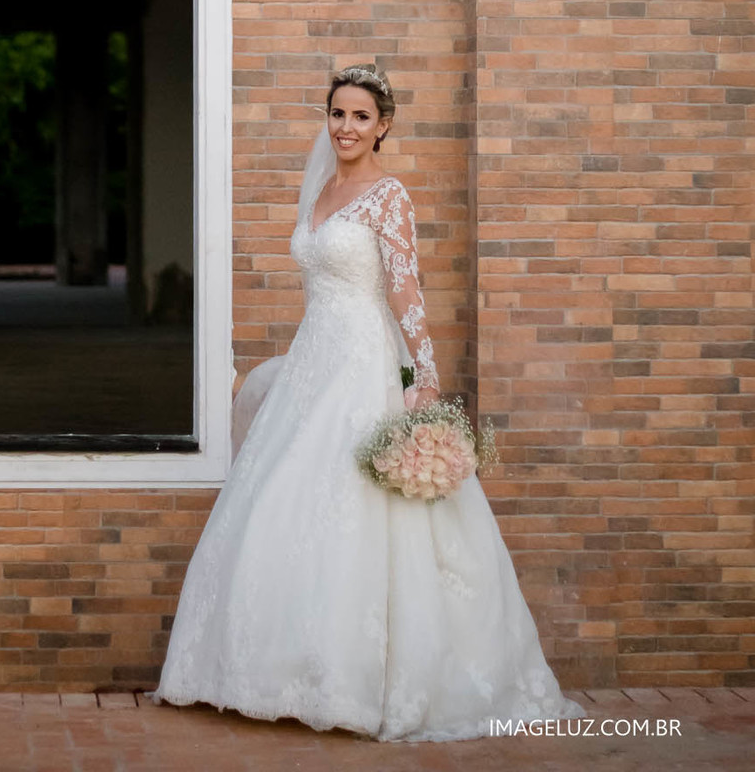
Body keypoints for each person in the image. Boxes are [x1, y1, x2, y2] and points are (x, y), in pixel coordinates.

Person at [156, 64, 582, 741]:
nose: (345, 127)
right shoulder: (321, 188)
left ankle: (361, 686)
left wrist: (424, 379)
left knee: (365, 509)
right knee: (279, 501)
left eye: (359, 116)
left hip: (364, 365)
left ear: (383, 125)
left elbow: (406, 290)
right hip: (314, 362)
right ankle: (264, 674)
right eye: (336, 114)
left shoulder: (389, 196)